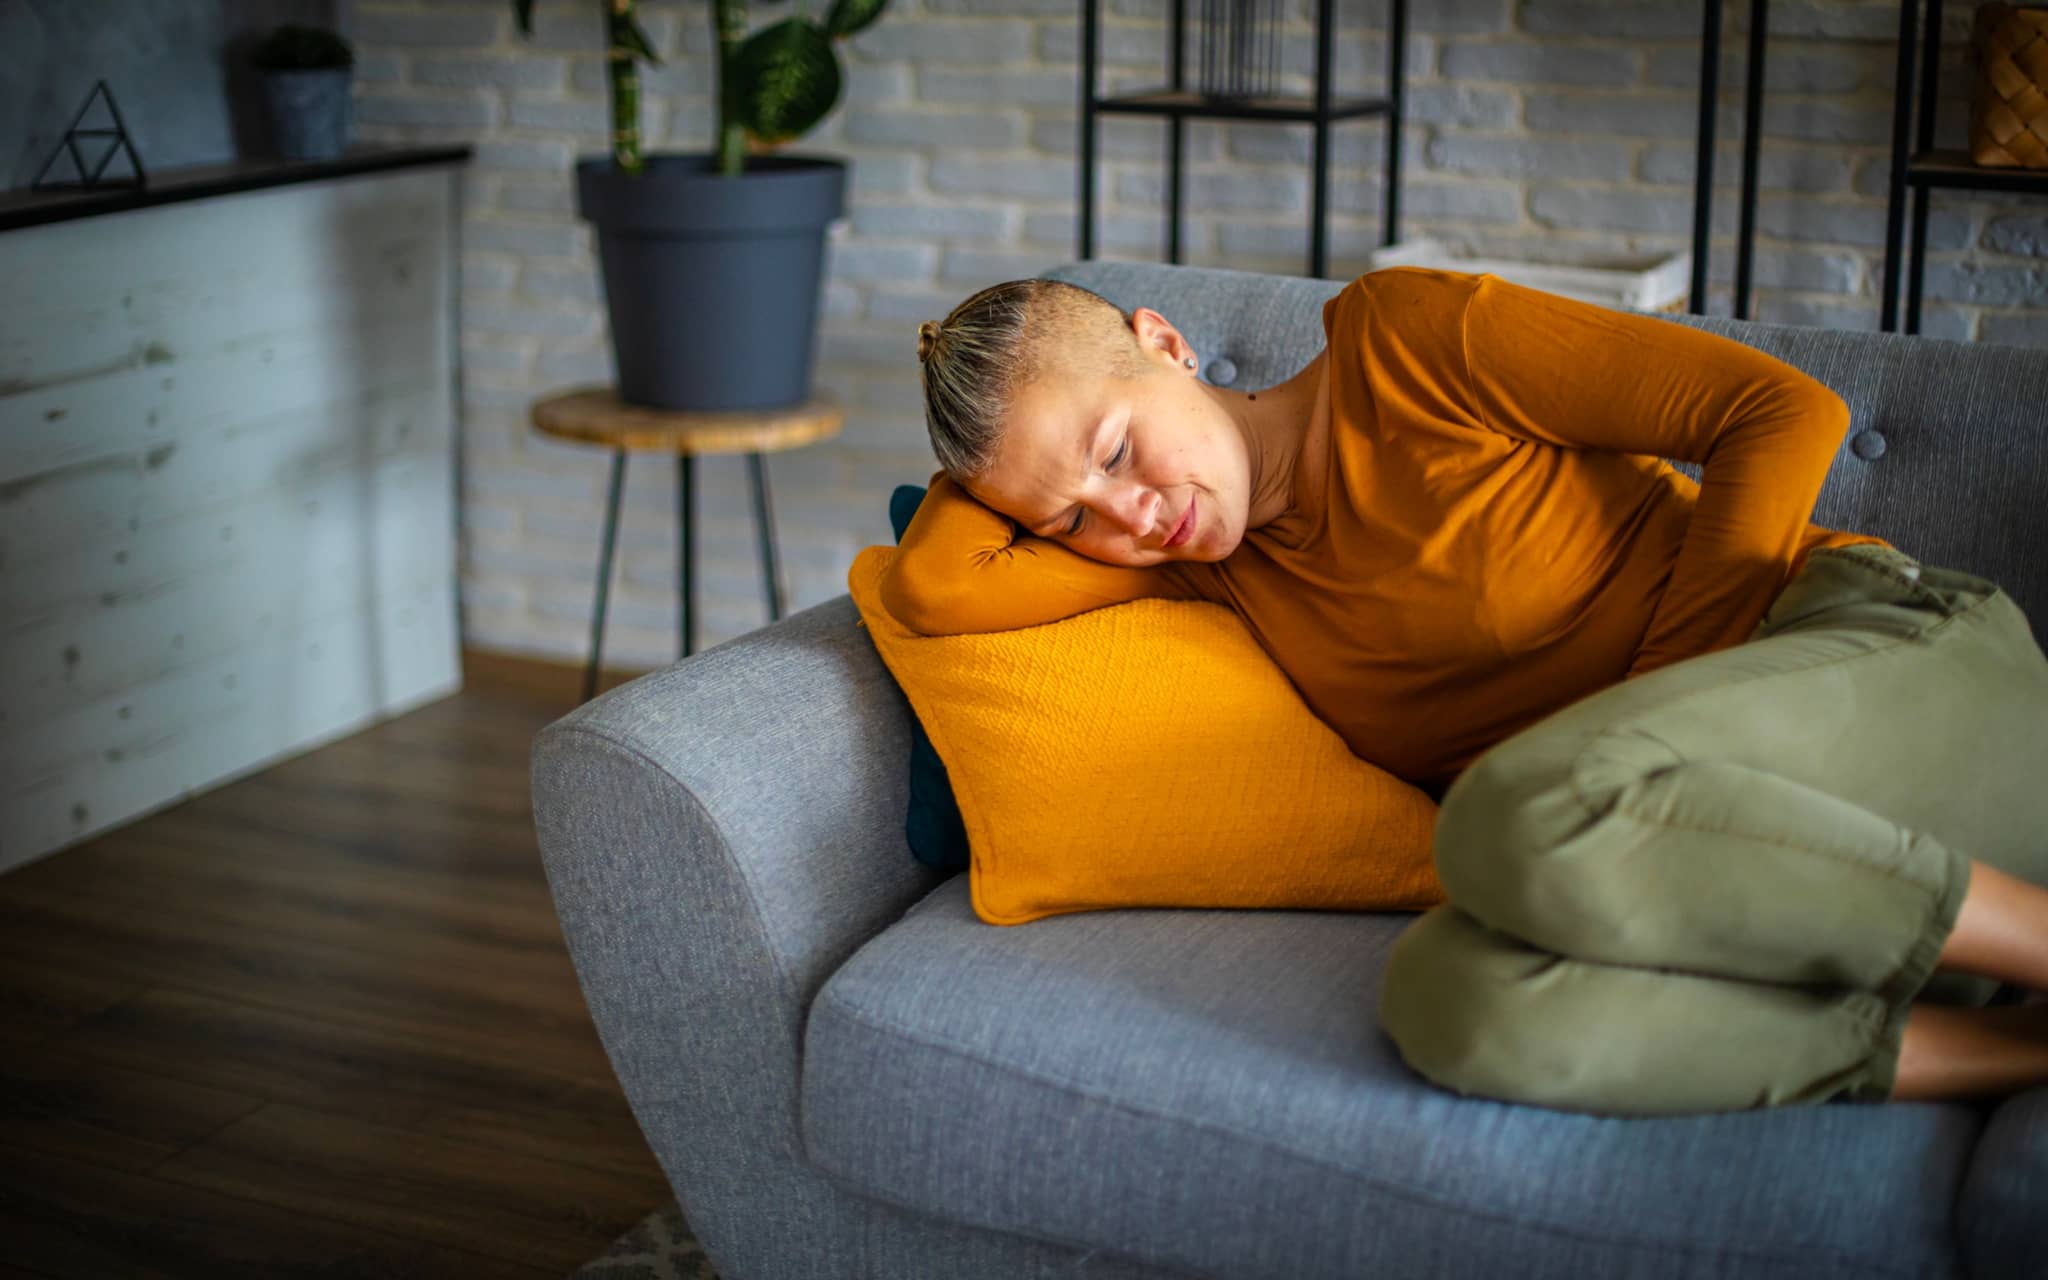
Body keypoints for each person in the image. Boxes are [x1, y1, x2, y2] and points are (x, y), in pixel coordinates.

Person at [886, 265, 2048, 1116]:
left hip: (1882, 661)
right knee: (1450, 999)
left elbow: (1783, 411)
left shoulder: (1402, 339)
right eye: (1071, 520)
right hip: (1735, 844)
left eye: (1115, 448)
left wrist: (1651, 710)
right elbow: (935, 588)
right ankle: (2014, 1048)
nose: (1130, 515)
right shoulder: (1211, 576)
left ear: (1167, 343)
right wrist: (994, 437)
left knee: (1498, 816)